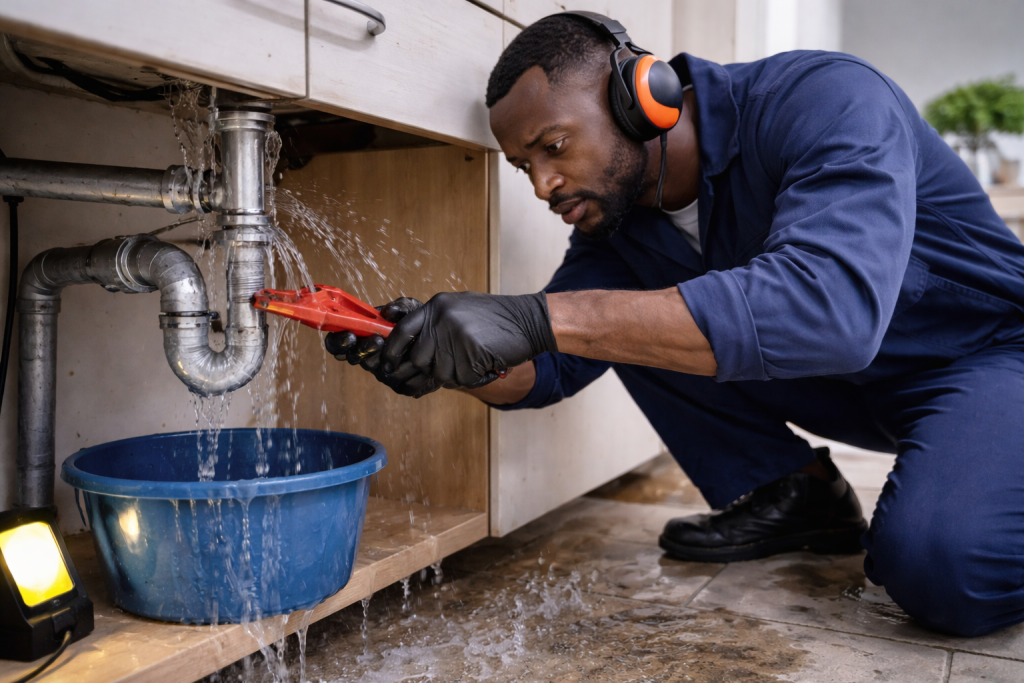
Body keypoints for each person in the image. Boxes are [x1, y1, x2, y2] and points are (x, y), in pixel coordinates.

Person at [324, 12, 1024, 638]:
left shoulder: (826, 99)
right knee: (608, 319)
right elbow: (548, 367)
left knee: (940, 565)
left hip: (990, 357)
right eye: (523, 166)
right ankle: (796, 493)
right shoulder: (620, 228)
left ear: (641, 96)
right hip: (854, 389)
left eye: (554, 146)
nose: (542, 185)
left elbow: (829, 309)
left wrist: (539, 317)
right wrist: (447, 356)